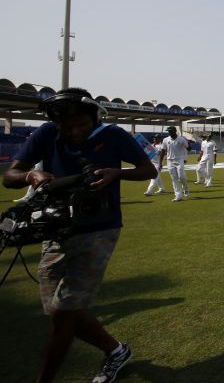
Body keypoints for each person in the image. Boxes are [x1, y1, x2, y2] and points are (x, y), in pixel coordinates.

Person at [1, 88, 156, 383]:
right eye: (66, 126)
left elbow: (148, 169)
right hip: (55, 229)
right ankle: (116, 351)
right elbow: (11, 176)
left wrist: (115, 173)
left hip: (100, 228)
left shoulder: (113, 134)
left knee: (63, 313)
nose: (74, 132)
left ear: (94, 116)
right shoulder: (46, 133)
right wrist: (30, 176)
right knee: (59, 310)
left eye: (81, 125)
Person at [161, 126, 190, 201]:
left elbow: (188, 149)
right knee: (174, 179)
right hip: (170, 161)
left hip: (179, 160)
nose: (169, 132)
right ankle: (178, 195)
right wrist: (161, 162)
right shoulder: (165, 140)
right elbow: (163, 151)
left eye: (170, 131)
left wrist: (189, 143)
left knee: (182, 177)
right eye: (168, 131)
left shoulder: (181, 139)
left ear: (175, 131)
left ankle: (186, 189)